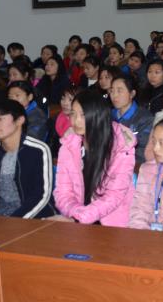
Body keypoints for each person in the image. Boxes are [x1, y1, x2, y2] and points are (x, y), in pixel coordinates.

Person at [51, 90, 136, 225]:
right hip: (77, 219)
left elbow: (114, 196)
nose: (76, 121)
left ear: (98, 115)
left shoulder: (120, 146)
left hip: (112, 224)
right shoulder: (68, 144)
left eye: (83, 115)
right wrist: (75, 214)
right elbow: (63, 192)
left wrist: (79, 219)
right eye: (73, 114)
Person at [0, 99, 54, 218]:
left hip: (34, 217)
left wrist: (15, 220)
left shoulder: (38, 150)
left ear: (20, 120)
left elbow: (41, 195)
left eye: (0, 119)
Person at [110, 75, 154, 164]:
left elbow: (143, 151)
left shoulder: (145, 118)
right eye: (112, 91)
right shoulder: (109, 115)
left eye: (119, 91)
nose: (114, 95)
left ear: (132, 94)